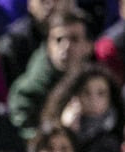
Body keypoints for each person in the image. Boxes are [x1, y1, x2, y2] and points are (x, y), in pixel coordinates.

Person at [7, 8, 94, 139]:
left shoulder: (96, 81)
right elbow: (21, 135)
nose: (66, 47)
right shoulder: (26, 91)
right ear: (48, 44)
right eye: (58, 39)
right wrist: (60, 131)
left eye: (74, 39)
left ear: (88, 46)